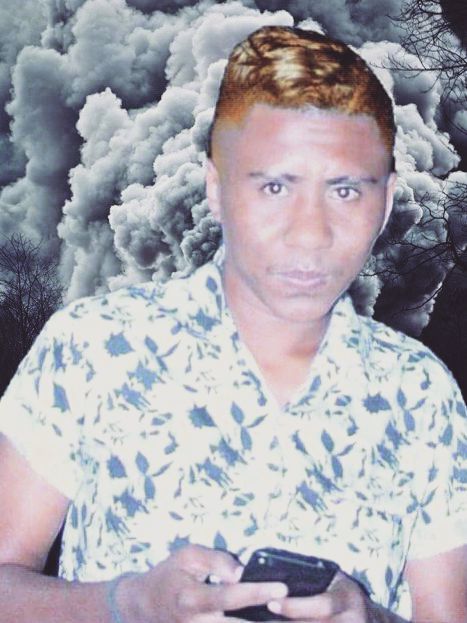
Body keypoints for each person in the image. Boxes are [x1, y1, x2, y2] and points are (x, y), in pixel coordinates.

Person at [0, 24, 465, 623]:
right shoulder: (91, 347)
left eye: (346, 191)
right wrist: (126, 603)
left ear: (387, 200)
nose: (310, 232)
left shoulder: (421, 394)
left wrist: (368, 619)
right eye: (274, 186)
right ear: (216, 189)